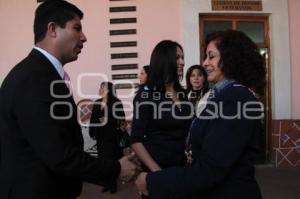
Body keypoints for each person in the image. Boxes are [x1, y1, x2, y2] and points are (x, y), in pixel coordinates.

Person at [0, 1, 136, 199]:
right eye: (77, 28)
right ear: (53, 29)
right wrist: (115, 168)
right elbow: (58, 154)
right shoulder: (34, 78)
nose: (84, 37)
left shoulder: (41, 73)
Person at [135, 30, 266, 199]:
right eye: (206, 57)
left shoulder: (234, 99)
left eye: (211, 56)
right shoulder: (223, 95)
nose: (204, 63)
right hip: (180, 175)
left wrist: (154, 181)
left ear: (231, 58)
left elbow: (210, 169)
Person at [130, 40, 193, 198]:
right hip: (158, 169)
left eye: (182, 57)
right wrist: (157, 173)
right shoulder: (146, 95)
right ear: (164, 60)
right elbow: (136, 140)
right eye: (177, 57)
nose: (182, 62)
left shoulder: (183, 94)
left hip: (183, 169)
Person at [89, 81, 125, 194]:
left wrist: (108, 120)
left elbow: (121, 119)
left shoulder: (116, 103)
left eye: (102, 88)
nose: (99, 90)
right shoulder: (97, 103)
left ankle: (113, 184)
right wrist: (93, 132)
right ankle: (106, 183)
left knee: (112, 160)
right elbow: (93, 119)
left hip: (112, 137)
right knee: (102, 160)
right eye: (99, 87)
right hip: (101, 136)